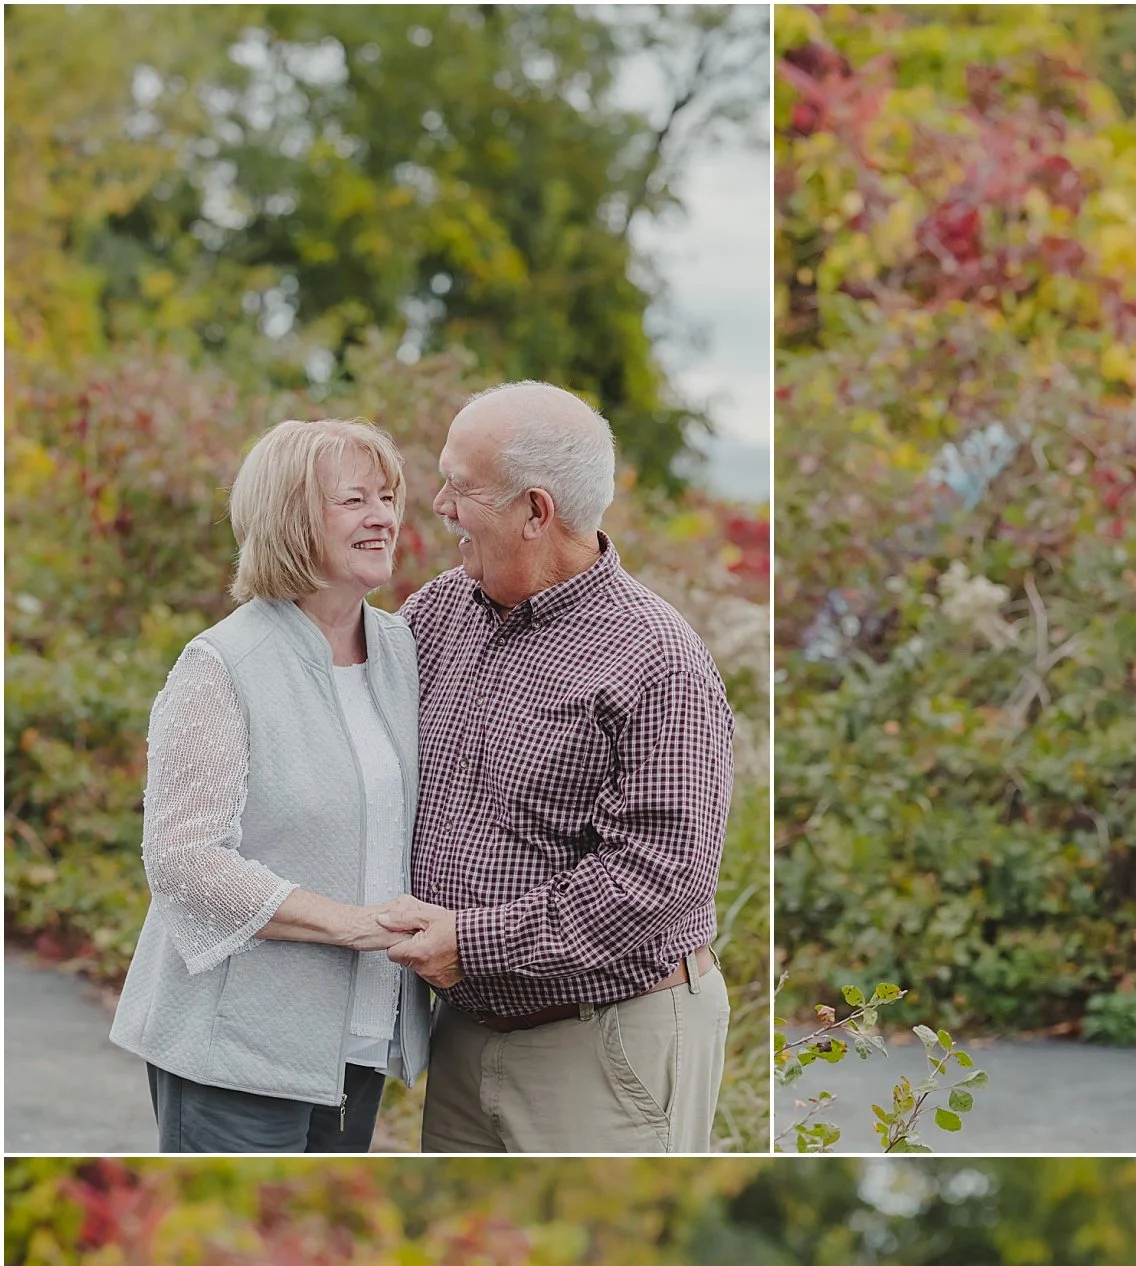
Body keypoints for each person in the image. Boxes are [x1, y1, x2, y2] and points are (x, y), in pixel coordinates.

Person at [382, 380, 734, 1153]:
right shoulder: (437, 614)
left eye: (460, 486)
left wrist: (471, 943)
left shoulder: (657, 661)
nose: (438, 503)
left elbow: (653, 878)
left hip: (607, 1043)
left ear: (535, 512)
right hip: (467, 1038)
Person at [109, 418, 433, 1151]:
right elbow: (185, 860)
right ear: (290, 517)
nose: (383, 516)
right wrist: (349, 924)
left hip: (356, 1051)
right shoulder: (222, 664)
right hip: (237, 1050)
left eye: (387, 496)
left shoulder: (399, 651)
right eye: (354, 500)